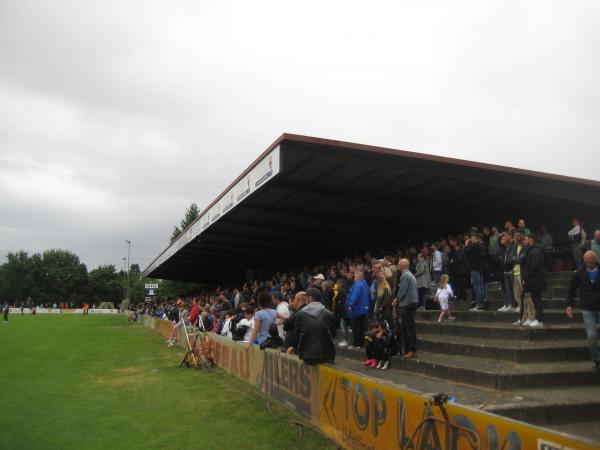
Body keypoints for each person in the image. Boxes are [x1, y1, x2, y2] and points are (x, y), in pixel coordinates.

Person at [566, 251, 600, 372]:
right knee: (591, 336)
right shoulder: (579, 273)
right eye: (588, 262)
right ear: (584, 261)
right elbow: (572, 290)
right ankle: (596, 360)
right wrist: (569, 305)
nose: (590, 264)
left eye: (592, 261)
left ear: (595, 260)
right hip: (587, 308)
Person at [286, 287, 336, 365]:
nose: (305, 301)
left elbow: (296, 337)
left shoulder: (300, 314)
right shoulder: (329, 314)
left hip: (307, 356)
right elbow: (333, 334)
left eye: (306, 298)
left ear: (310, 298)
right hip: (327, 356)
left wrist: (292, 347)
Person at [393, 259, 419, 359]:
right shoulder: (409, 275)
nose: (397, 266)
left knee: (409, 328)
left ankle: (412, 350)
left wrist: (397, 299)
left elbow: (402, 289)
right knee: (405, 327)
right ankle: (408, 349)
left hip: (408, 303)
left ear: (402, 265)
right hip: (409, 303)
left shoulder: (405, 275)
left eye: (398, 264)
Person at [511, 232, 536, 326]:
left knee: (527, 297)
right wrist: (515, 258)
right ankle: (522, 318)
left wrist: (515, 258)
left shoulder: (526, 247)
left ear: (522, 236)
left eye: (518, 235)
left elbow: (519, 260)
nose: (516, 237)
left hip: (523, 275)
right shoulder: (514, 246)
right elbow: (510, 258)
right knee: (518, 298)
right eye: (515, 235)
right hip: (515, 273)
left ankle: (531, 317)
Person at [522, 235, 547, 328]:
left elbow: (533, 267)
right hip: (534, 280)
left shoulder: (535, 251)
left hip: (536, 281)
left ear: (531, 239)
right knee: (536, 299)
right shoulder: (532, 250)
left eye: (526, 239)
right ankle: (537, 319)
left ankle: (539, 320)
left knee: (537, 300)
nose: (524, 241)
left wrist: (526, 278)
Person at [345, 272, 370, 350]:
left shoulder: (358, 284)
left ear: (358, 277)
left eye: (355, 277)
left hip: (356, 310)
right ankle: (361, 344)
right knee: (361, 328)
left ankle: (356, 344)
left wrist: (350, 305)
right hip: (364, 309)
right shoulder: (366, 285)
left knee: (356, 328)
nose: (354, 278)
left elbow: (355, 295)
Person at [465, 234, 485, 311]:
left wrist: (466, 245)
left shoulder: (475, 245)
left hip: (475, 268)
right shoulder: (481, 245)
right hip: (479, 268)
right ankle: (481, 304)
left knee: (477, 287)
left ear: (476, 238)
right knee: (480, 287)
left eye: (472, 237)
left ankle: (479, 305)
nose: (471, 239)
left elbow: (466, 253)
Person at [498, 233, 518, 312]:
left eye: (506, 236)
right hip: (506, 270)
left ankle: (516, 304)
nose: (505, 238)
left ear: (510, 236)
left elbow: (511, 257)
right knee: (508, 289)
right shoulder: (508, 246)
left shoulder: (513, 245)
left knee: (514, 289)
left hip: (511, 269)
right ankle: (511, 304)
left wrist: (507, 263)